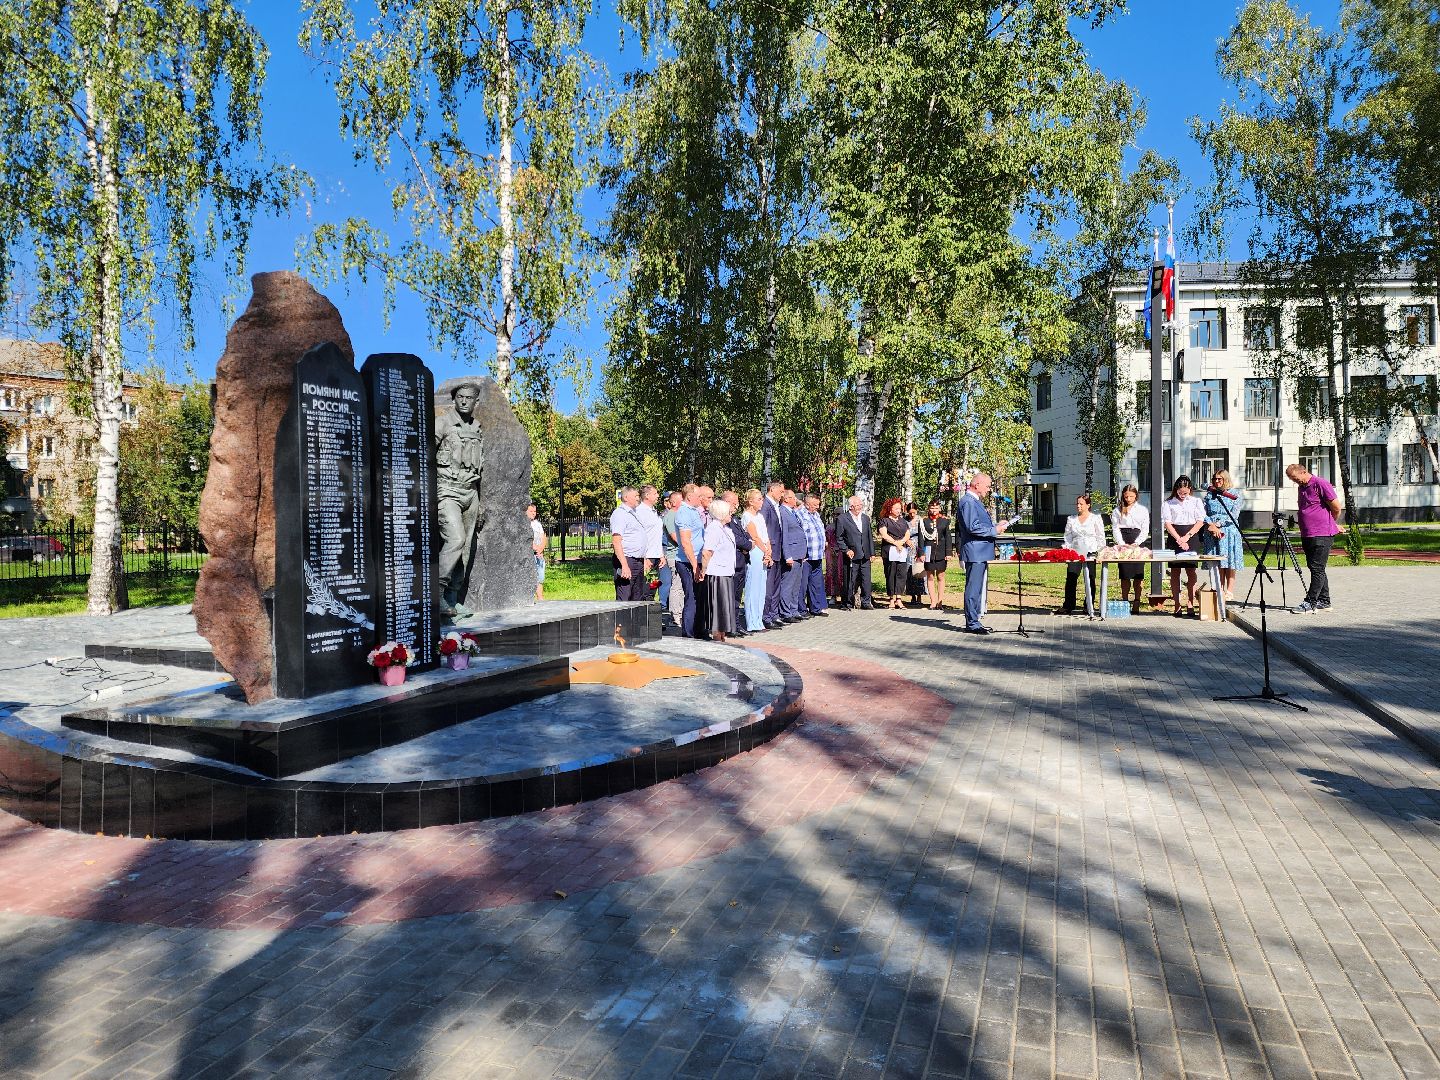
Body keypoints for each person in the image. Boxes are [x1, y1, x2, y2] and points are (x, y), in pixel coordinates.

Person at [435, 381, 483, 617]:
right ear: (454, 399)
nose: (464, 401)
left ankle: (452, 600)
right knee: (455, 539)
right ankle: (436, 595)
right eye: (460, 397)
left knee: (465, 550)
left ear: (476, 401)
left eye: (469, 398)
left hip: (470, 492)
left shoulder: (477, 427)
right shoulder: (442, 423)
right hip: (447, 491)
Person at [1286, 462, 1343, 613]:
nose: (1294, 481)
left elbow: (1336, 507)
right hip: (1308, 533)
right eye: (1292, 479)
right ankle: (1324, 601)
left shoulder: (1320, 483)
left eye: (1295, 478)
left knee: (1317, 568)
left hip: (1322, 534)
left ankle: (1310, 602)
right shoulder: (1302, 487)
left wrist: (1331, 523)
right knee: (1315, 568)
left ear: (1303, 472)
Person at [955, 473, 1007, 634]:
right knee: (973, 588)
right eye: (988, 486)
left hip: (979, 551)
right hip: (975, 552)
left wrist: (996, 525)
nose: (989, 489)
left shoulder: (973, 501)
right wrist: (994, 530)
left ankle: (975, 620)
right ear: (977, 484)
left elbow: (978, 524)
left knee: (977, 588)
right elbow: (972, 527)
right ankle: (972, 623)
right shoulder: (968, 502)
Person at [1161, 475, 1206, 617]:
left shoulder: (1196, 501)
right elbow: (1167, 523)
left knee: (1191, 571)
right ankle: (1176, 604)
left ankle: (1191, 602)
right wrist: (1179, 538)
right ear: (1176, 490)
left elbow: (1200, 521)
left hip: (1191, 536)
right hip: (1175, 536)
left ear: (1190, 490)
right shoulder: (1168, 503)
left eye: (1185, 493)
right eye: (1180, 493)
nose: (1182, 495)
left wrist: (1187, 536)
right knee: (1175, 571)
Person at [1058, 494, 1106, 615]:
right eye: (1077, 503)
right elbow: (1067, 537)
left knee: (1090, 578)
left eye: (1081, 504)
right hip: (1075, 552)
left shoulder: (1095, 518)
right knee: (1071, 577)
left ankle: (1088, 605)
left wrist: (1101, 552)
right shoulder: (1071, 519)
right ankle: (1068, 605)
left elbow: (1100, 537)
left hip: (1091, 552)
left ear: (1088, 505)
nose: (1078, 506)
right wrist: (1067, 551)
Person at [1201, 470, 1244, 600]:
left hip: (1229, 531)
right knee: (1217, 562)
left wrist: (1219, 524)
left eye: (1220, 479)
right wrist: (1211, 526)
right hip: (1211, 531)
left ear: (1226, 479)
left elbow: (1234, 515)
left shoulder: (1235, 494)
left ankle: (1229, 591)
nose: (1217, 481)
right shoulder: (1209, 495)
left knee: (1230, 562)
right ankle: (1218, 588)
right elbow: (1202, 513)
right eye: (1214, 479)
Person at [700, 498, 738, 642]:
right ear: (721, 513)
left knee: (724, 606)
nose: (731, 513)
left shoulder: (726, 529)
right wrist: (703, 571)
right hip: (716, 573)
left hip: (726, 572)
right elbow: (707, 552)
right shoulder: (714, 528)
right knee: (718, 606)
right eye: (729, 511)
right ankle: (717, 635)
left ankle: (722, 634)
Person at [1110, 484, 1149, 614]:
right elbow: (1115, 528)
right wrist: (1121, 544)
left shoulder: (1142, 510)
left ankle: (1137, 601)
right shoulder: (1117, 510)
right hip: (1123, 541)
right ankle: (1125, 601)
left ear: (1136, 496)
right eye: (1126, 496)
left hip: (1137, 540)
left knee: (1138, 575)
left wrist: (1137, 543)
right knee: (1125, 575)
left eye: (1131, 496)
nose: (1128, 499)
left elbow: (1145, 529)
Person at [674, 483, 706, 636]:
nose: (701, 498)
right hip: (686, 562)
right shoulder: (683, 513)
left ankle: (699, 630)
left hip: (697, 560)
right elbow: (686, 542)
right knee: (691, 597)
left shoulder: (693, 511)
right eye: (698, 495)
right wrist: (694, 565)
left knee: (699, 597)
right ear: (689, 496)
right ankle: (688, 633)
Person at [834, 495, 875, 609]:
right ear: (851, 506)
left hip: (865, 554)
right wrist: (846, 550)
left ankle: (866, 601)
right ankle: (847, 602)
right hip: (851, 554)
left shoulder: (865, 518)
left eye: (860, 505)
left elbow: (869, 536)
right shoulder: (842, 519)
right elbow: (839, 538)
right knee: (850, 579)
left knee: (866, 579)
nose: (859, 507)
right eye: (857, 505)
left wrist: (872, 553)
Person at [609, 486, 649, 602]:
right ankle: (621, 620)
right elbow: (616, 541)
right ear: (626, 497)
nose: (638, 498)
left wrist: (644, 558)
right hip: (627, 560)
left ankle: (634, 620)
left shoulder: (633, 513)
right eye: (636, 496)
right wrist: (624, 565)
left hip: (638, 561)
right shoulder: (619, 514)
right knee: (624, 597)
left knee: (637, 597)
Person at [722, 490, 753, 636]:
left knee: (736, 597)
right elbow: (735, 538)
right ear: (726, 502)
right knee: (729, 596)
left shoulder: (735, 519)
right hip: (732, 562)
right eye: (734, 503)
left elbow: (745, 535)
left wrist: (748, 543)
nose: (736, 506)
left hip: (741, 562)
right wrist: (747, 545)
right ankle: (729, 627)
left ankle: (736, 624)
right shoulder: (724, 520)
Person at [741, 488, 772, 633]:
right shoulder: (747, 517)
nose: (761, 502)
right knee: (753, 588)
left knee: (761, 589)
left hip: (764, 552)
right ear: (750, 501)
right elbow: (755, 537)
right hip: (755, 553)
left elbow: (765, 536)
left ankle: (759, 621)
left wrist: (769, 552)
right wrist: (765, 551)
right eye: (759, 499)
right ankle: (752, 622)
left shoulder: (760, 516)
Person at [777, 490, 810, 622]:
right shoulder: (783, 512)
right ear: (786, 499)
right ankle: (785, 612)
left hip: (799, 553)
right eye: (792, 498)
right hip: (791, 553)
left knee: (796, 585)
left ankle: (793, 609)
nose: (795, 500)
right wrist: (787, 555)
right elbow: (784, 535)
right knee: (788, 584)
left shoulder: (792, 511)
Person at [917, 499, 954, 611]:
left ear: (940, 508)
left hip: (941, 551)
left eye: (936, 508)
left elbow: (948, 537)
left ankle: (940, 601)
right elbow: (921, 538)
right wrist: (921, 553)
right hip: (928, 551)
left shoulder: (944, 521)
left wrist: (948, 552)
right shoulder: (923, 521)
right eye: (932, 508)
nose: (934, 510)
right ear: (929, 508)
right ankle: (932, 601)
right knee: (930, 576)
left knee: (941, 575)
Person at [876, 498, 912, 609]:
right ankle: (891, 599)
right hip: (890, 549)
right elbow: (884, 535)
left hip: (902, 550)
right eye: (896, 508)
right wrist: (896, 543)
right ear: (889, 509)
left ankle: (899, 598)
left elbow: (907, 534)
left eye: (900, 508)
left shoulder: (902, 521)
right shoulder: (884, 520)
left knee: (901, 574)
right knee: (890, 573)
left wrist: (901, 542)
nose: (898, 510)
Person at [798, 493, 830, 616]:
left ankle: (816, 608)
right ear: (807, 503)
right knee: (803, 584)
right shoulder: (800, 514)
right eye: (815, 505)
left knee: (816, 584)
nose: (817, 507)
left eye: (818, 504)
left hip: (817, 555)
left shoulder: (816, 515)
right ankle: (801, 609)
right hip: (806, 555)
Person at [760, 480, 786, 626]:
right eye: (781, 491)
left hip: (778, 551)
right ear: (772, 490)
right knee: (768, 586)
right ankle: (766, 616)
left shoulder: (776, 506)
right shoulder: (766, 505)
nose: (782, 494)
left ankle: (774, 614)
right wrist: (767, 550)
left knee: (776, 586)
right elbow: (763, 528)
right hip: (770, 550)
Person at [659, 490, 683, 619]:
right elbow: (673, 537)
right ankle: (665, 606)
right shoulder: (666, 516)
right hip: (667, 550)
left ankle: (670, 606)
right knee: (667, 581)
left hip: (673, 551)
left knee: (673, 582)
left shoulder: (676, 515)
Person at [905, 503, 925, 606]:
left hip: (919, 546)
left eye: (914, 512)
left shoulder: (920, 520)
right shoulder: (904, 520)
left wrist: (922, 550)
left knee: (919, 571)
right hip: (908, 548)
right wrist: (906, 540)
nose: (912, 515)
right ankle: (912, 595)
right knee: (910, 571)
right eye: (910, 513)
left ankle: (920, 595)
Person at [526, 502, 546, 602]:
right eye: (531, 511)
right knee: (531, 578)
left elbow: (543, 537)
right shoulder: (525, 524)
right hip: (530, 555)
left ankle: (540, 598)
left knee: (540, 578)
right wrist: (535, 548)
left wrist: (540, 549)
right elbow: (527, 539)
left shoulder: (537, 524)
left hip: (539, 554)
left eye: (535, 511)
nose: (533, 513)